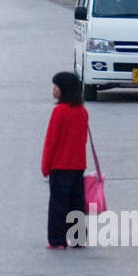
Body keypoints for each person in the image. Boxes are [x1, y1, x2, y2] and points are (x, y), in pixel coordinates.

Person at [41, 72, 89, 250]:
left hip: (60, 166)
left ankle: (57, 240)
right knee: (77, 203)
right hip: (78, 165)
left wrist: (45, 166)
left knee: (58, 205)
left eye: (56, 87)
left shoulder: (59, 111)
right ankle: (78, 238)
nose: (53, 90)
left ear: (64, 90)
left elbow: (51, 142)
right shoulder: (82, 111)